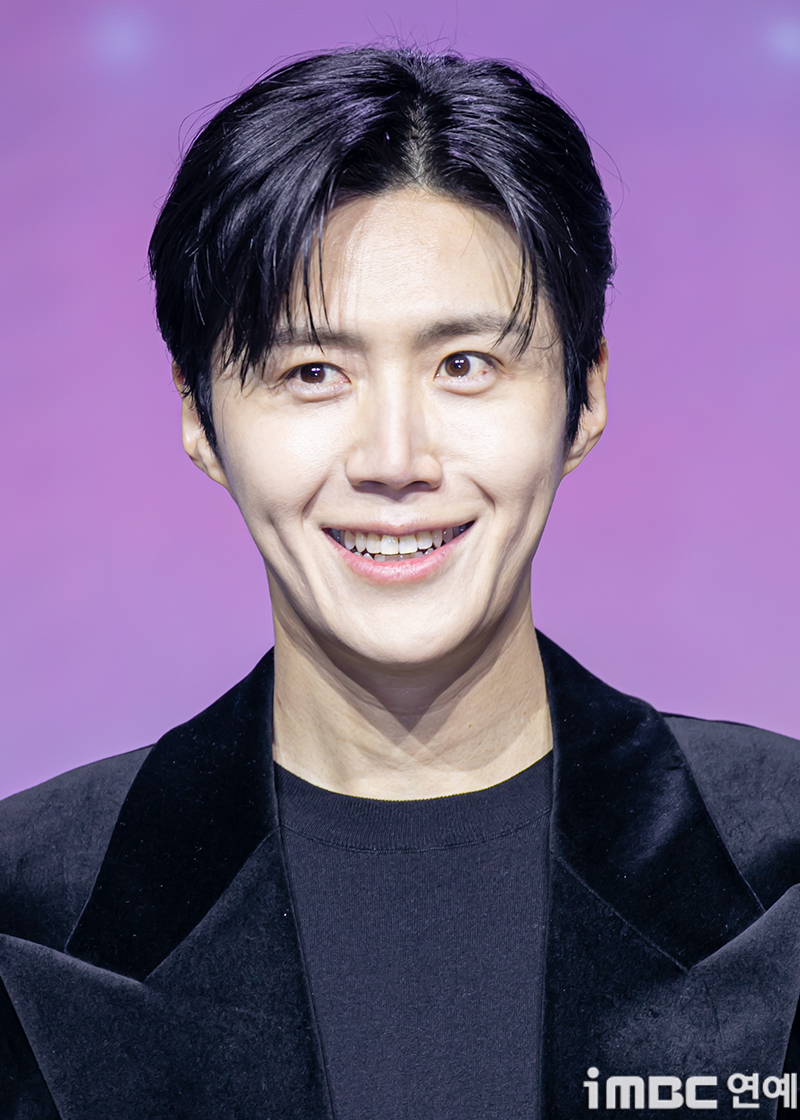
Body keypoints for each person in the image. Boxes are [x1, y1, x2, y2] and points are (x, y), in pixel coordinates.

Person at [1, 46, 798, 1120]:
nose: (394, 458)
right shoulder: (26, 910)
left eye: (464, 365)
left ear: (585, 394)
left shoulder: (782, 875)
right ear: (198, 416)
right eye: (311, 372)